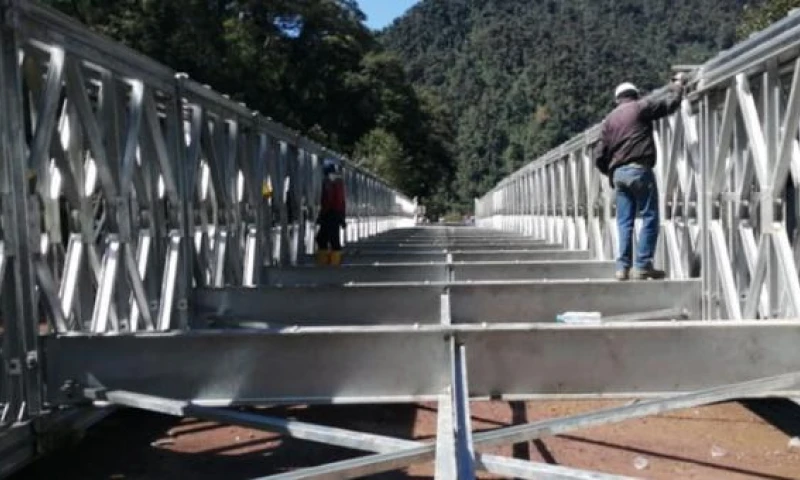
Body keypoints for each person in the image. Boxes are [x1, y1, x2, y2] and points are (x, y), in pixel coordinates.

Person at [593, 73, 687, 281]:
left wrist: (610, 172)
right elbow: (668, 106)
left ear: (617, 99)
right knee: (650, 217)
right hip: (639, 169)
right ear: (635, 95)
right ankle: (643, 265)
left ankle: (622, 268)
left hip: (618, 175)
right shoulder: (640, 107)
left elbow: (598, 154)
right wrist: (678, 87)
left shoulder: (609, 120)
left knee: (624, 222)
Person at [315, 158, 346, 266]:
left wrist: (321, 215)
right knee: (333, 239)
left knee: (322, 239)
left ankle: (326, 265)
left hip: (330, 214)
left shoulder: (329, 181)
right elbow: (342, 201)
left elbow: (328, 199)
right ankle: (333, 263)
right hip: (337, 214)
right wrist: (342, 217)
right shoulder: (339, 181)